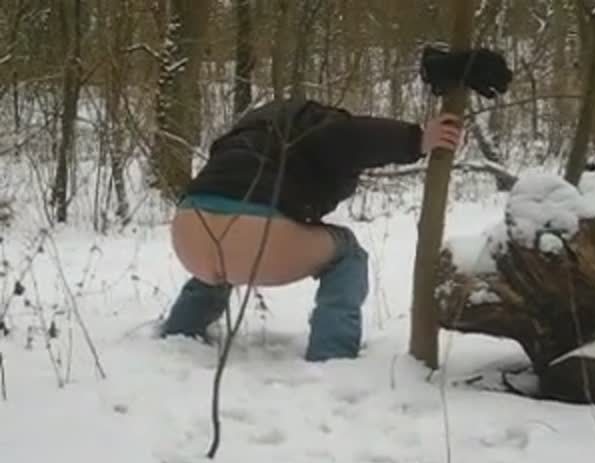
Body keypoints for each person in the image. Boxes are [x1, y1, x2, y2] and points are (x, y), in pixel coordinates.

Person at [159, 46, 512, 361]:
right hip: (259, 234)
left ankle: (179, 334)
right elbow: (347, 138)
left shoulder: (247, 132)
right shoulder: (315, 126)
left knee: (222, 253)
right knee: (347, 253)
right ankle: (332, 355)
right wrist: (418, 139)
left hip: (189, 231)